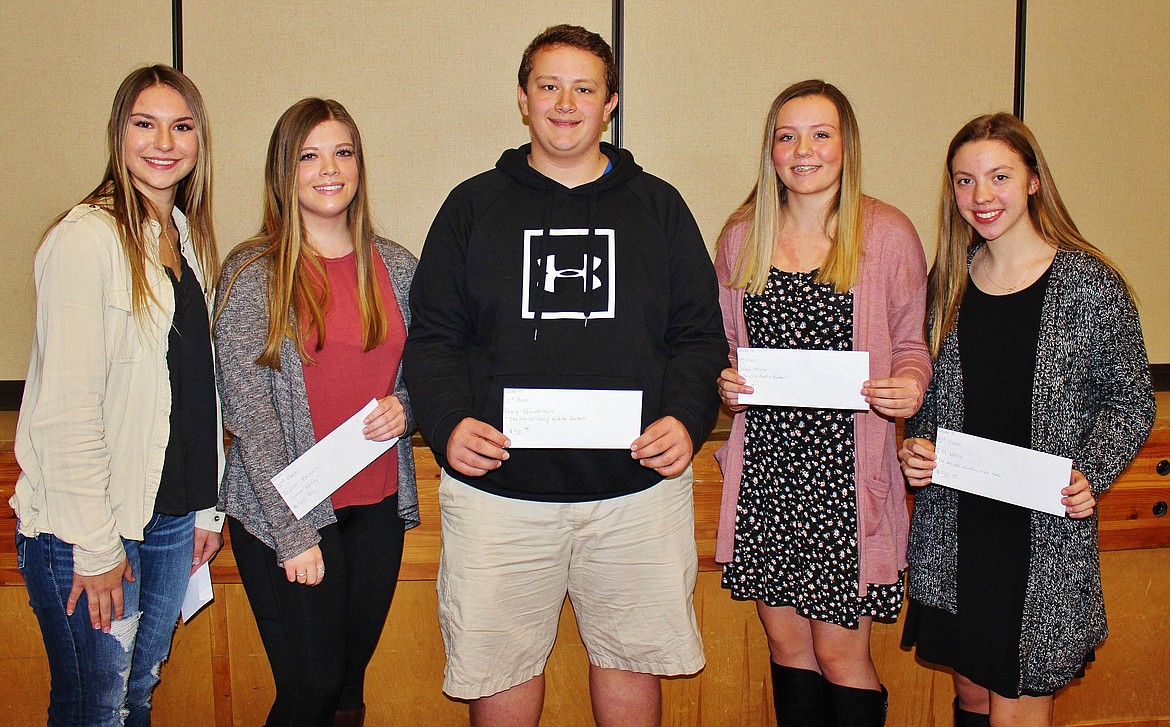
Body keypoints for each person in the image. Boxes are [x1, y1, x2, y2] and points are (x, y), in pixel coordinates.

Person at [402, 24, 726, 727]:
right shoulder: (471, 207)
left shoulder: (660, 207)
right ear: (523, 98)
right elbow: (432, 337)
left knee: (633, 661)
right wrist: (449, 422)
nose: (565, 102)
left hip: (636, 491)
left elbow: (699, 335)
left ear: (610, 102)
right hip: (500, 496)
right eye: (549, 85)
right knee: (500, 668)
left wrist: (687, 416)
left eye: (584, 87)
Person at [898, 113, 1155, 727]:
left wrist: (1089, 472)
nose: (981, 197)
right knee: (972, 696)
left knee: (1017, 703)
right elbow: (932, 397)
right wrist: (919, 445)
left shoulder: (1089, 283)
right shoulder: (950, 283)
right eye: (965, 181)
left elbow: (1131, 399)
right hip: (958, 525)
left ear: (1034, 181)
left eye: (999, 177)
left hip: (1040, 531)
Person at [10, 65, 224, 726]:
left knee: (135, 694)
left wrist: (204, 511)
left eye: (181, 125)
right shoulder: (87, 238)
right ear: (118, 133)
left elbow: (196, 390)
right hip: (92, 530)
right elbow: (65, 413)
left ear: (198, 140)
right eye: (145, 123)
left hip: (166, 521)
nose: (164, 140)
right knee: (94, 708)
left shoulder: (181, 237)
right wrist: (95, 548)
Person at [713, 80, 931, 726]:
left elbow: (913, 343)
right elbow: (727, 347)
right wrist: (726, 382)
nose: (802, 150)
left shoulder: (886, 233)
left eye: (820, 134)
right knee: (787, 645)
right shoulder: (740, 236)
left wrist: (911, 384)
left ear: (846, 145)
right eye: (787, 136)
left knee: (840, 652)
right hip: (769, 474)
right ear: (771, 150)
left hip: (846, 477)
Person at [213, 98, 419, 727]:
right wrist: (294, 532)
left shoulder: (399, 266)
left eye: (342, 152)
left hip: (376, 509)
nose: (329, 169)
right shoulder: (255, 273)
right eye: (309, 156)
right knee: (311, 692)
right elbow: (250, 416)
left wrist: (406, 409)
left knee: (348, 688)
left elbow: (429, 378)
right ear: (286, 171)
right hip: (290, 517)